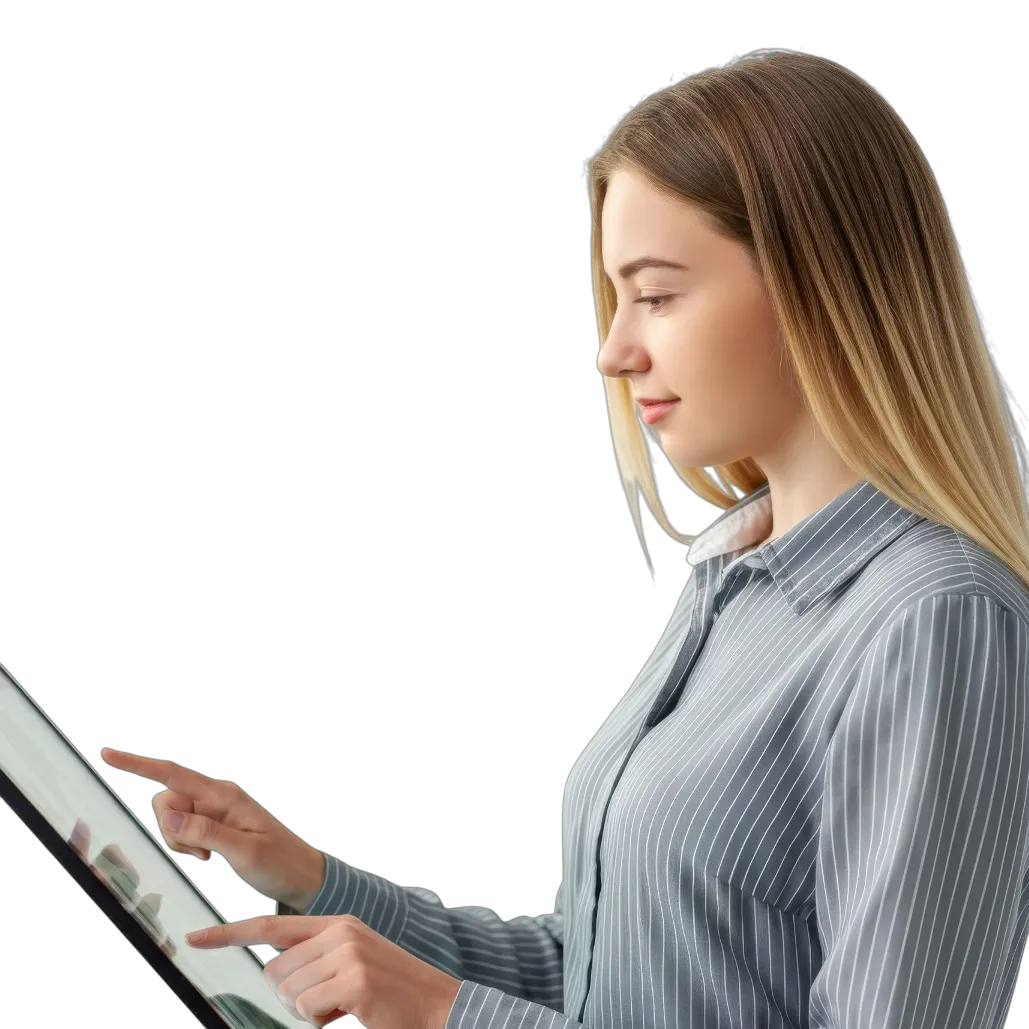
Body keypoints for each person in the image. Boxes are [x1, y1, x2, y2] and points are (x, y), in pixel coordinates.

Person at [106, 48, 1029, 1028]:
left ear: (818, 284)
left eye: (660, 293)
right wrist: (310, 879)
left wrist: (452, 1016)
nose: (614, 349)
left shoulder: (935, 619)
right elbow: (607, 981)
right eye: (615, 296)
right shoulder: (733, 583)